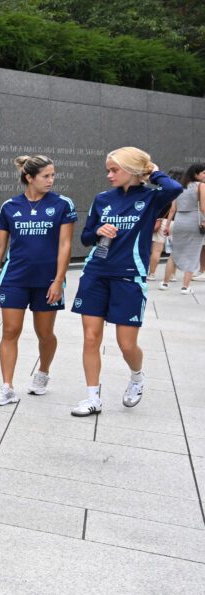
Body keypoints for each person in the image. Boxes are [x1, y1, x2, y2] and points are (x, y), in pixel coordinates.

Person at [70, 147, 181, 417]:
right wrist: (98, 230)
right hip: (95, 273)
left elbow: (175, 187)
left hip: (129, 278)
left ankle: (136, 377)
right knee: (90, 337)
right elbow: (85, 238)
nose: (109, 175)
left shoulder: (152, 197)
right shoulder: (102, 199)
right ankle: (92, 397)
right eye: (108, 169)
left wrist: (152, 171)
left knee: (126, 344)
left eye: (114, 169)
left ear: (132, 170)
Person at [0, 155, 77, 405]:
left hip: (47, 280)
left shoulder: (62, 204)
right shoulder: (10, 207)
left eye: (52, 175)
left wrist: (59, 280)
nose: (51, 180)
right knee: (10, 330)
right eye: (46, 176)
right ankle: (7, 387)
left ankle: (43, 372)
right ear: (29, 178)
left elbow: (65, 244)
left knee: (45, 333)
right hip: (15, 278)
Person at [160, 164, 205, 295]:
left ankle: (165, 282)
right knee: (193, 253)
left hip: (179, 220)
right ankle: (185, 287)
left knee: (174, 253)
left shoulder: (179, 187)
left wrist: (167, 225)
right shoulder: (201, 186)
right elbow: (203, 207)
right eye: (203, 173)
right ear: (195, 174)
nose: (204, 175)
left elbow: (172, 209)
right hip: (194, 220)